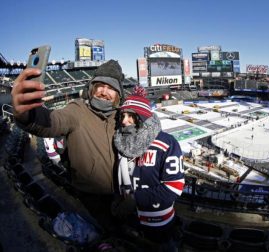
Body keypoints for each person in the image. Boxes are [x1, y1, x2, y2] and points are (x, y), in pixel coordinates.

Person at [11, 60, 124, 230]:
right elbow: (52, 121)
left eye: (111, 88)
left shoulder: (122, 116)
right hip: (92, 196)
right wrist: (27, 114)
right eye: (100, 85)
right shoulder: (77, 110)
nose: (104, 92)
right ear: (91, 88)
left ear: (118, 95)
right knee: (110, 231)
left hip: (122, 192)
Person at [114, 86, 185, 250]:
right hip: (129, 219)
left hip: (159, 223)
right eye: (122, 115)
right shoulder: (120, 140)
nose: (124, 121)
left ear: (143, 117)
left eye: (131, 115)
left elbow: (173, 188)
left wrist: (134, 199)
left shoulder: (167, 143)